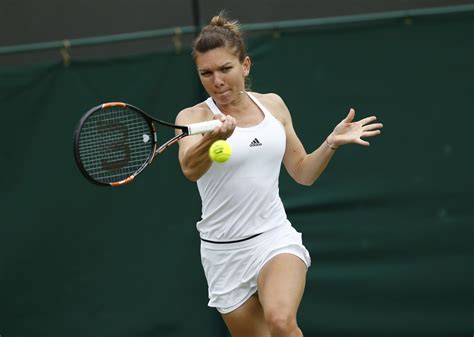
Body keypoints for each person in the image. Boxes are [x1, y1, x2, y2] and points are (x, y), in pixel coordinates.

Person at [175, 13, 383, 337]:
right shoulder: (193, 117)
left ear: (245, 66)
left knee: (281, 323)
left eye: (225, 69)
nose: (217, 80)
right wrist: (214, 138)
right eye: (206, 73)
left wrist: (330, 143)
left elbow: (303, 173)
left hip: (273, 237)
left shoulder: (274, 106)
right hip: (222, 253)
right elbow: (190, 168)